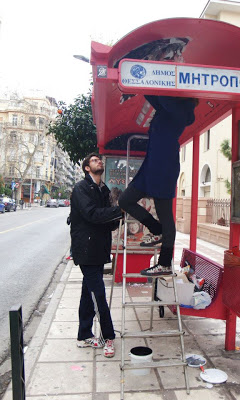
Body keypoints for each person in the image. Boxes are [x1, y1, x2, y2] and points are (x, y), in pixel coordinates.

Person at [119, 95, 198, 276]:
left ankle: (164, 264)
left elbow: (158, 97)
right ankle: (157, 230)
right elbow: (156, 97)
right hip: (151, 164)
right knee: (125, 200)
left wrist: (141, 81)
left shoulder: (180, 109)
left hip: (164, 165)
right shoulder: (170, 107)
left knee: (166, 216)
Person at [70, 153, 123, 357]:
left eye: (99, 160)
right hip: (86, 249)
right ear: (86, 168)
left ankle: (84, 334)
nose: (99, 161)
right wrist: (118, 211)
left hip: (99, 249)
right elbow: (91, 214)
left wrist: (119, 215)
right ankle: (108, 337)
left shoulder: (104, 190)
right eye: (94, 160)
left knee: (88, 292)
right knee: (98, 294)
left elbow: (107, 221)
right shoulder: (81, 188)